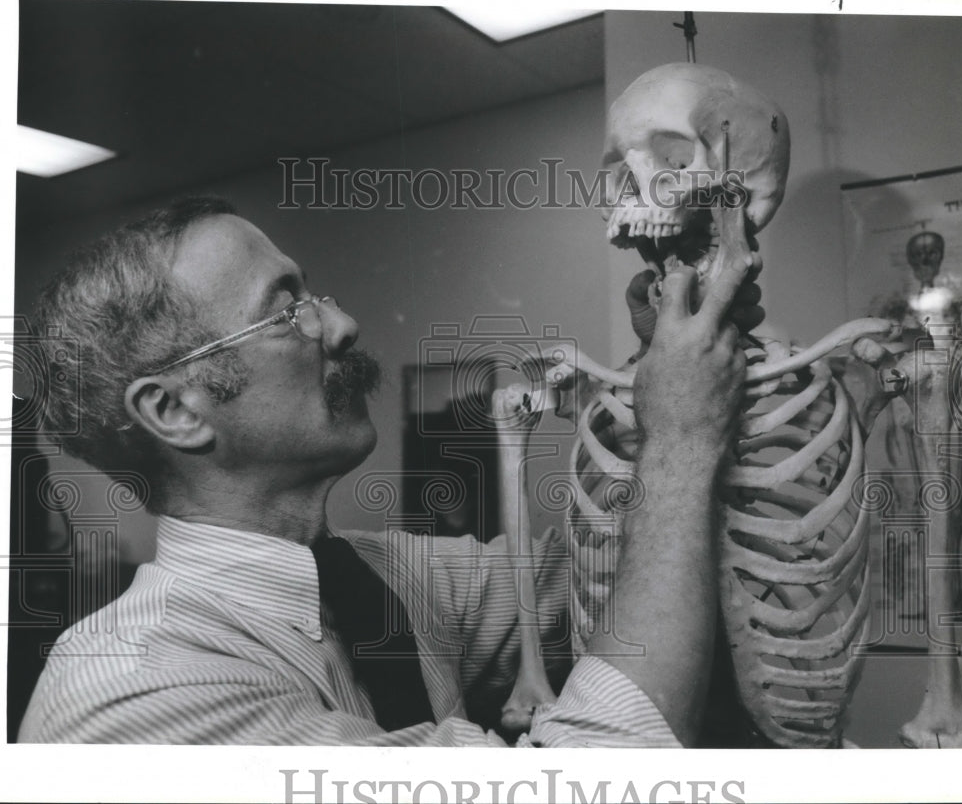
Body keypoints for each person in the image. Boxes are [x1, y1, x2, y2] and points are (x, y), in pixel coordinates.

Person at [17, 196, 754, 746]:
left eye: (315, 297)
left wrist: (657, 371)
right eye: (287, 313)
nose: (340, 326)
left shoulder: (390, 573)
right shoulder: (131, 691)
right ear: (175, 410)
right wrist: (681, 439)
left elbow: (620, 575)